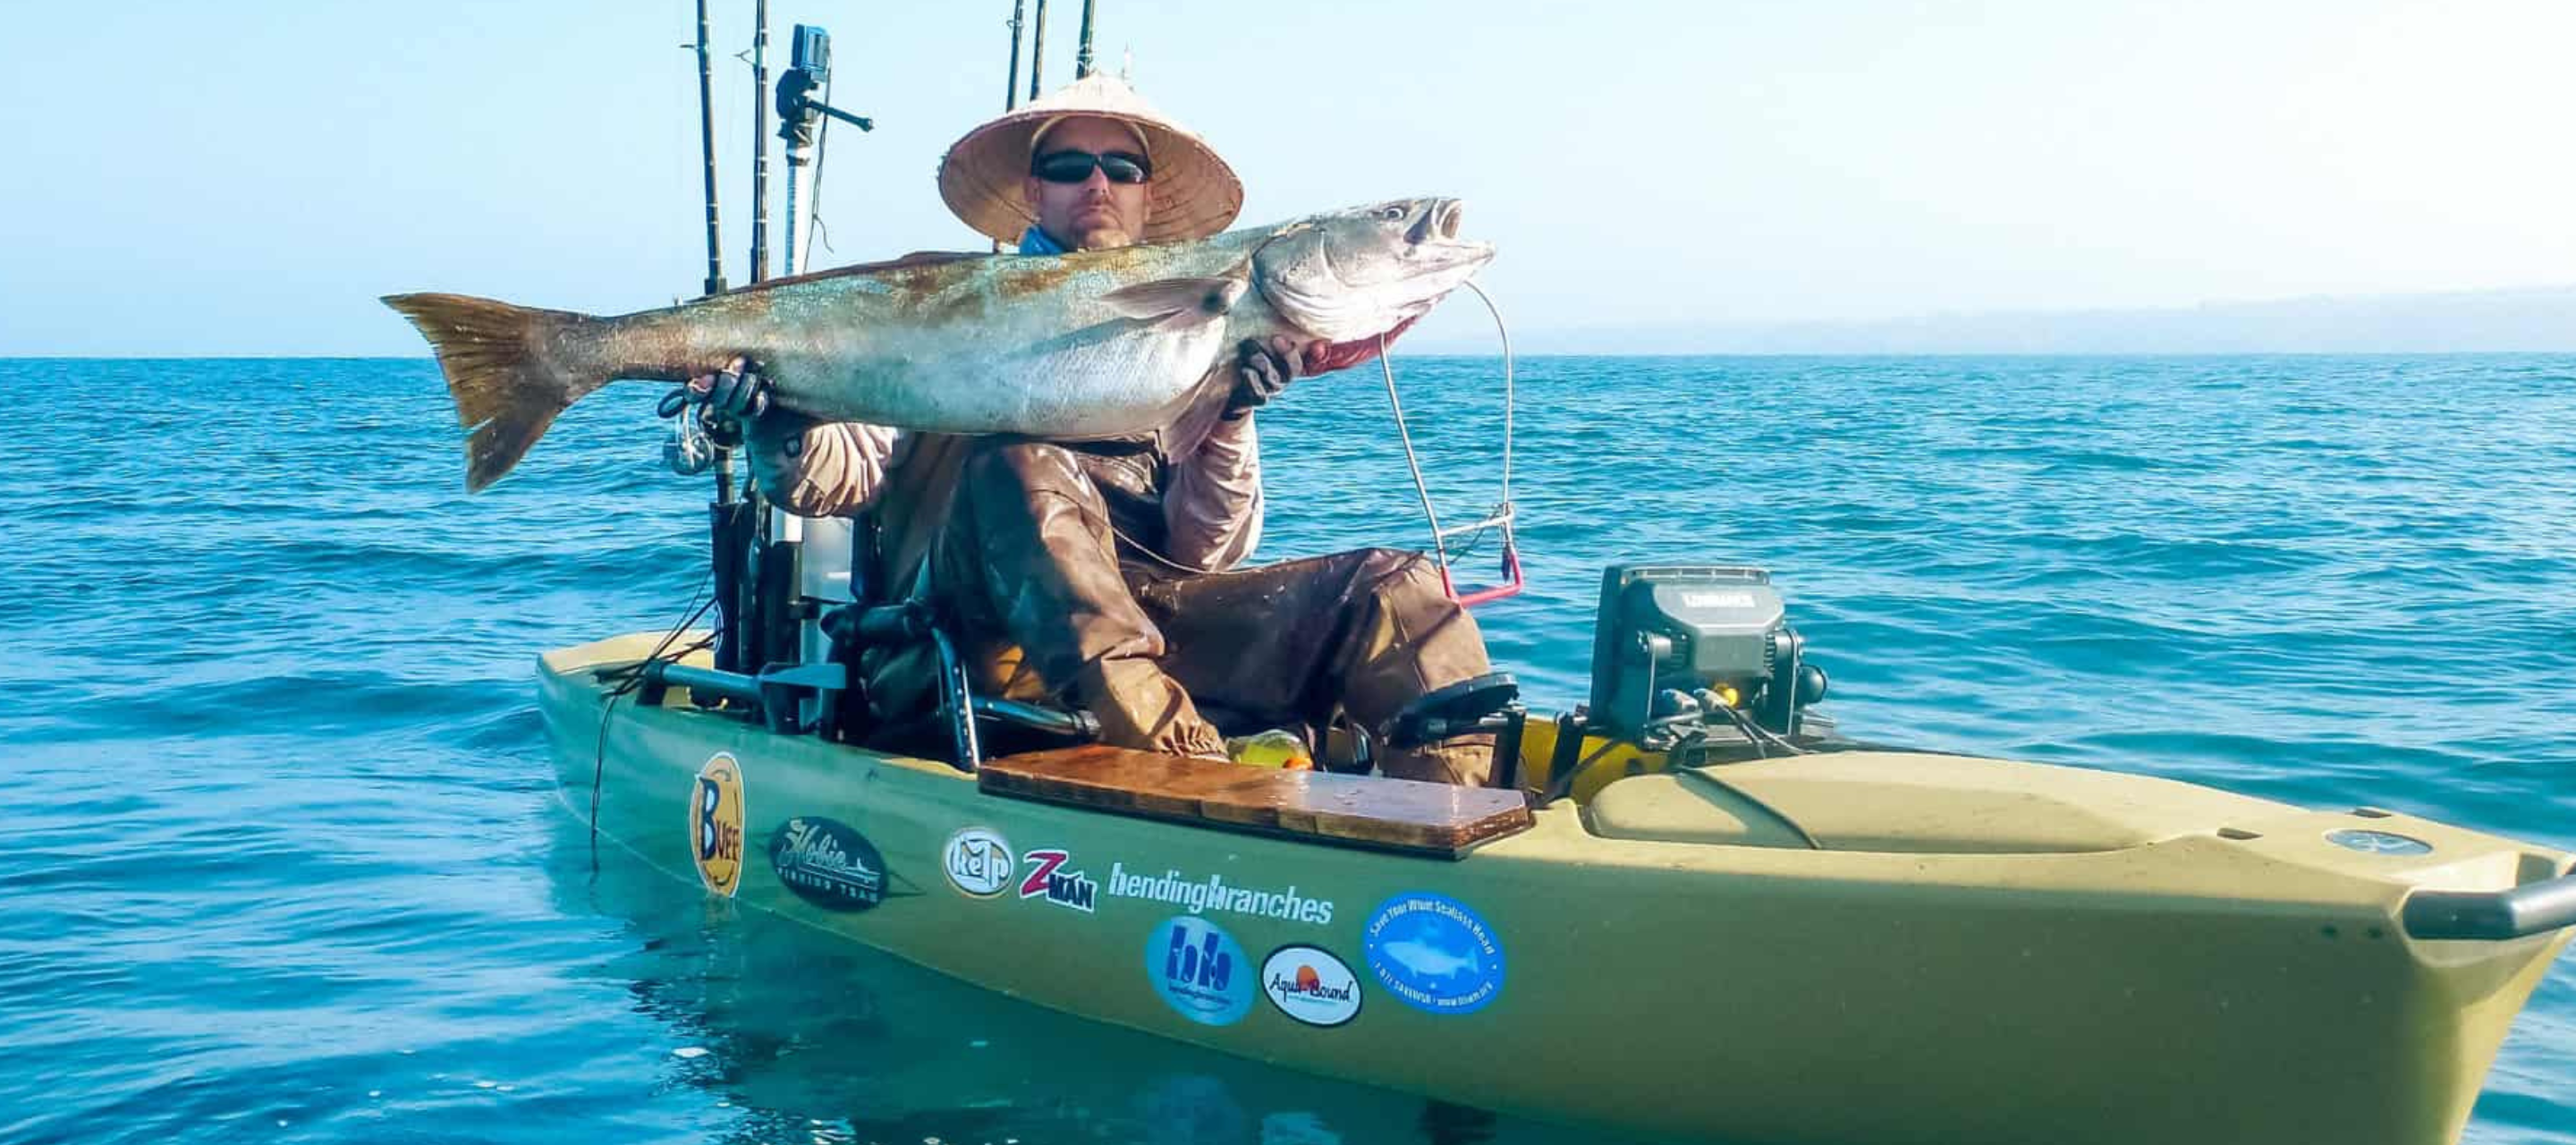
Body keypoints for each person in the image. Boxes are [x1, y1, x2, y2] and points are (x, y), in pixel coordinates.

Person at [709, 74, 1496, 785]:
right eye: (1068, 167)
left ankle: (1457, 823)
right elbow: (836, 479)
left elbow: (1205, 554)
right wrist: (777, 420)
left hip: (1148, 646)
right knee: (1019, 463)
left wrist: (1228, 413)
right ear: (1034, 190)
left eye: (1122, 169)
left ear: (1148, 196)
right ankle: (1192, 773)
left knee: (1394, 590)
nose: (1097, 184)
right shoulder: (940, 316)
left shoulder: (1196, 329)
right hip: (963, 651)